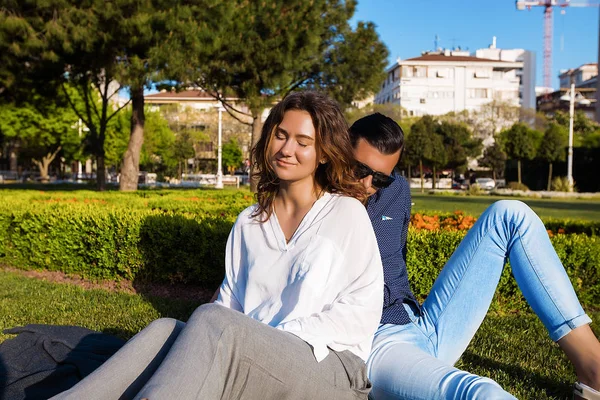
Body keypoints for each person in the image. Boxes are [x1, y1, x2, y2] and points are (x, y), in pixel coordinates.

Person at [52, 92, 384, 400]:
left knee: (216, 324)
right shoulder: (250, 223)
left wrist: (260, 337)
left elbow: (356, 315)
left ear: (324, 153)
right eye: (281, 135)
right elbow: (229, 303)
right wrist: (246, 338)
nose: (286, 149)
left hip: (333, 371)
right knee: (166, 329)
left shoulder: (345, 213)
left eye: (303, 142)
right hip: (255, 354)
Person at [349, 113, 600, 400]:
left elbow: (395, 266)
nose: (367, 183)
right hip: (376, 341)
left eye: (380, 177)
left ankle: (594, 370)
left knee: (511, 215)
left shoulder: (397, 189)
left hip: (419, 324)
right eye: (358, 169)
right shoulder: (316, 201)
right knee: (482, 393)